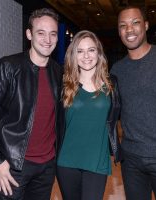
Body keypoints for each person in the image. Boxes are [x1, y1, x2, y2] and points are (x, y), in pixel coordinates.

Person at [0, 8, 64, 200]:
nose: (47, 40)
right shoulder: (7, 66)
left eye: (53, 34)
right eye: (41, 33)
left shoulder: (58, 72)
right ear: (29, 34)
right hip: (12, 164)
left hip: (46, 166)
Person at [111, 5, 156, 200]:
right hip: (131, 159)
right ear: (119, 31)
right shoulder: (117, 69)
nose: (129, 30)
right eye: (123, 25)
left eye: (135, 23)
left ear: (146, 25)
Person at [56, 30, 122, 200]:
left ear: (98, 53)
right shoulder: (63, 84)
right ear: (73, 55)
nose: (86, 56)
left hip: (97, 160)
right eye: (80, 51)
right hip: (66, 161)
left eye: (91, 50)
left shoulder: (111, 83)